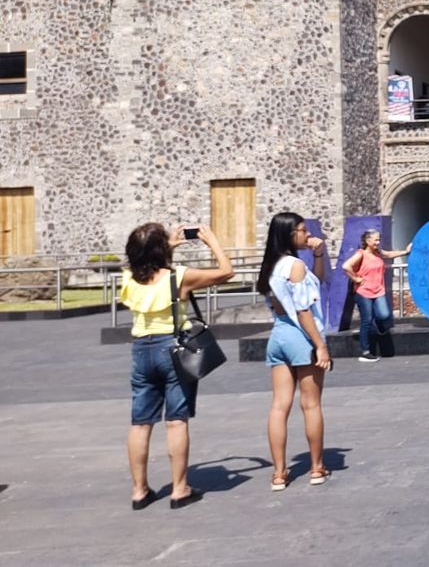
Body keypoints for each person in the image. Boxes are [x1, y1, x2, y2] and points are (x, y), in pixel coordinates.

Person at [122, 223, 233, 510]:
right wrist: (212, 241)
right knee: (176, 420)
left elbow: (149, 267)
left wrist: (163, 248)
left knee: (140, 423)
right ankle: (180, 488)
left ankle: (139, 490)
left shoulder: (128, 278)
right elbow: (226, 272)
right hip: (172, 349)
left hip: (141, 350)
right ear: (160, 249)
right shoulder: (178, 277)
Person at [256, 212, 333, 491]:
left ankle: (279, 473)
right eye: (302, 230)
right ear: (290, 234)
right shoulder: (295, 265)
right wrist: (320, 345)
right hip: (301, 336)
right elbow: (303, 310)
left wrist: (319, 255)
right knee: (311, 404)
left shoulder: (272, 265)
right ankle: (317, 467)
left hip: (279, 335)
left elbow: (316, 282)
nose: (307, 234)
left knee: (279, 406)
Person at [342, 230, 412, 362]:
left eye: (379, 239)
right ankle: (365, 351)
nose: (378, 242)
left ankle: (379, 327)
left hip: (378, 291)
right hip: (363, 292)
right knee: (367, 320)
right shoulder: (361, 254)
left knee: (384, 315)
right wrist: (356, 279)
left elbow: (389, 254)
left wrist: (406, 252)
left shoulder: (378, 252)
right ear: (368, 241)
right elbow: (346, 266)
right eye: (375, 240)